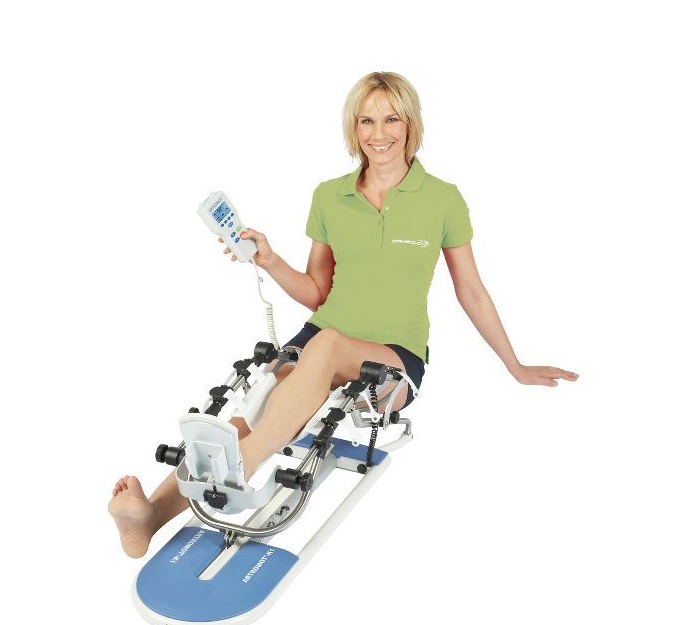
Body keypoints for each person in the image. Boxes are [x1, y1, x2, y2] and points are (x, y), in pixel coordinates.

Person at [109, 71, 579, 558]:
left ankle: (239, 468)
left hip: (393, 359)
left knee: (325, 347)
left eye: (391, 119)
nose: (379, 133)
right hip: (319, 336)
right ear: (353, 128)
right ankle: (149, 515)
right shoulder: (330, 196)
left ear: (411, 123)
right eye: (366, 121)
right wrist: (269, 260)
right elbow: (317, 292)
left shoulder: (443, 199)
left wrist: (514, 365)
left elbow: (472, 292)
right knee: (259, 402)